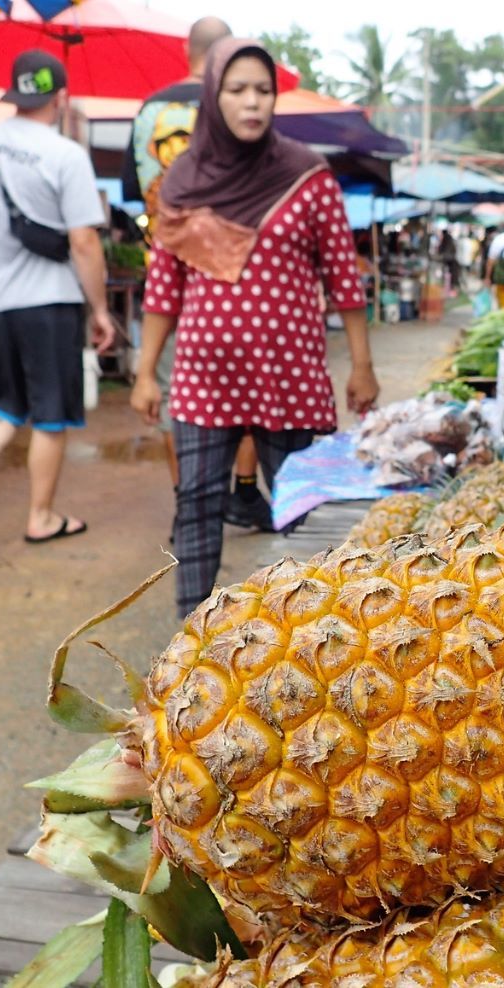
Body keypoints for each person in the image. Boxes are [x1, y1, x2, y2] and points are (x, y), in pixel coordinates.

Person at [129, 38, 379, 616]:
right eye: (237, 90)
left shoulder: (307, 176)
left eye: (263, 91)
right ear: (214, 98)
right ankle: (188, 640)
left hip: (289, 376)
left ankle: (315, 639)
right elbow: (164, 288)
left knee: (305, 510)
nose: (252, 103)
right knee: (195, 503)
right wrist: (145, 373)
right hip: (202, 378)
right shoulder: (182, 181)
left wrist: (362, 366)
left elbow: (344, 276)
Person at [0, 50, 115, 540]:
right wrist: (100, 309)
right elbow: (84, 242)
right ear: (60, 97)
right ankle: (41, 517)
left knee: (7, 398)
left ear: (13, 92)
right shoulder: (66, 154)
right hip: (52, 303)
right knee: (51, 412)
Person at [122, 17, 273, 531]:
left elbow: (136, 192)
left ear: (187, 52)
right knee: (250, 386)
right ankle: (245, 493)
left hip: (165, 274)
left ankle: (188, 502)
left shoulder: (149, 110)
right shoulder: (244, 108)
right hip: (238, 282)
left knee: (176, 392)